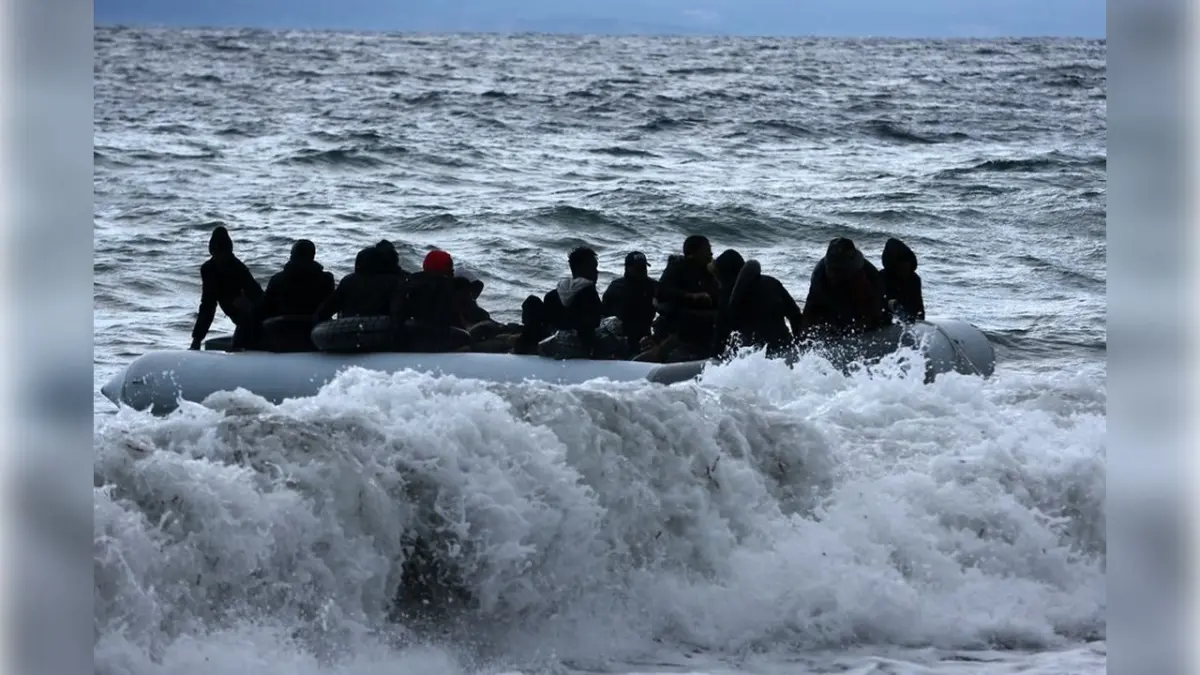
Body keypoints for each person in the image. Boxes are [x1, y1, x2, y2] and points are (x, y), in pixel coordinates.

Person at [709, 249, 804, 358]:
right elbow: (795, 315)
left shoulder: (727, 297)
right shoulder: (771, 282)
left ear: (724, 275)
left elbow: (720, 337)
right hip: (784, 348)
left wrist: (712, 364)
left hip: (754, 356)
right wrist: (798, 346)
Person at [190, 225, 264, 350]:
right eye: (216, 253)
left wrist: (249, 307)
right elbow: (208, 306)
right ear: (212, 251)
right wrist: (197, 339)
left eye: (224, 253)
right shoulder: (208, 269)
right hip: (242, 320)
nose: (220, 257)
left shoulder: (239, 269)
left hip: (256, 321)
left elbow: (261, 302)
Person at [801, 237, 891, 339]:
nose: (833, 274)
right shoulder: (819, 278)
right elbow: (810, 312)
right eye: (831, 269)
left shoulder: (866, 276)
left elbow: (877, 306)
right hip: (833, 307)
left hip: (860, 305)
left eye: (838, 270)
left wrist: (865, 323)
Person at [647, 235, 719, 361]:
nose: (711, 253)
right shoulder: (678, 268)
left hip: (704, 321)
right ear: (694, 253)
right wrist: (691, 296)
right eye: (707, 250)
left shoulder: (709, 272)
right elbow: (662, 292)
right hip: (679, 320)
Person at [391, 249, 470, 351]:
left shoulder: (408, 283)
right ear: (445, 269)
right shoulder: (446, 287)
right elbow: (452, 320)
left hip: (405, 339)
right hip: (436, 342)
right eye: (450, 266)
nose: (452, 270)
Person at [540, 246, 604, 358]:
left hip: (554, 347)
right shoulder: (589, 294)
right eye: (593, 268)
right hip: (580, 351)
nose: (596, 272)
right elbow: (593, 324)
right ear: (582, 268)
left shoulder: (553, 295)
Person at [313, 246, 402, 322]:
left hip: (347, 329)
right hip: (383, 331)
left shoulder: (348, 281)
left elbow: (326, 310)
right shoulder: (393, 282)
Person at [258, 239, 336, 320]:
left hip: (283, 326)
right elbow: (330, 308)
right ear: (313, 256)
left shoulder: (277, 279)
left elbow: (265, 307)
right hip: (316, 326)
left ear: (292, 256)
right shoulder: (327, 279)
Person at [601, 251, 659, 355]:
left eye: (644, 268)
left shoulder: (653, 286)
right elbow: (604, 314)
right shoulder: (616, 286)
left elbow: (664, 307)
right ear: (627, 268)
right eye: (638, 269)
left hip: (645, 334)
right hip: (621, 336)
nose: (642, 272)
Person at [880, 237, 926, 321]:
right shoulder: (881, 278)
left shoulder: (914, 279)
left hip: (909, 319)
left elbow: (919, 310)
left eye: (906, 264)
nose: (904, 268)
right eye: (901, 265)